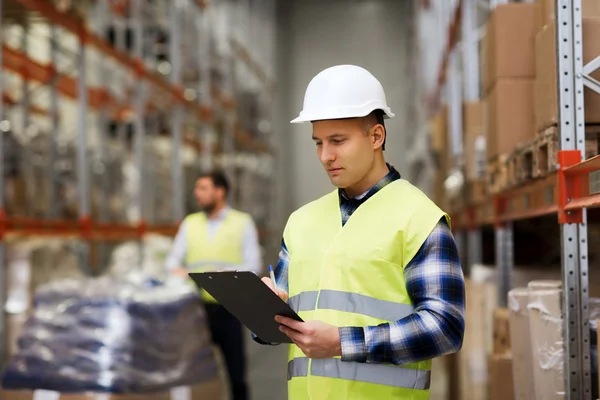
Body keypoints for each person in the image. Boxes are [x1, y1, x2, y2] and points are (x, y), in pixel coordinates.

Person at [255, 65, 466, 400]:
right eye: (319, 143)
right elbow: (277, 331)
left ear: (376, 136)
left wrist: (342, 342)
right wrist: (264, 312)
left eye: (338, 141)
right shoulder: (301, 221)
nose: (326, 156)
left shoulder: (419, 218)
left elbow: (445, 328)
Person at [166, 170, 262, 400]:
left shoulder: (242, 222)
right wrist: (188, 274)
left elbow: (254, 265)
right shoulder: (190, 224)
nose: (196, 193)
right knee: (193, 373)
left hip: (229, 309)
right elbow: (171, 262)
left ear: (220, 192)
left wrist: (220, 275)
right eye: (196, 188)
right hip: (196, 311)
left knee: (236, 374)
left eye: (203, 188)